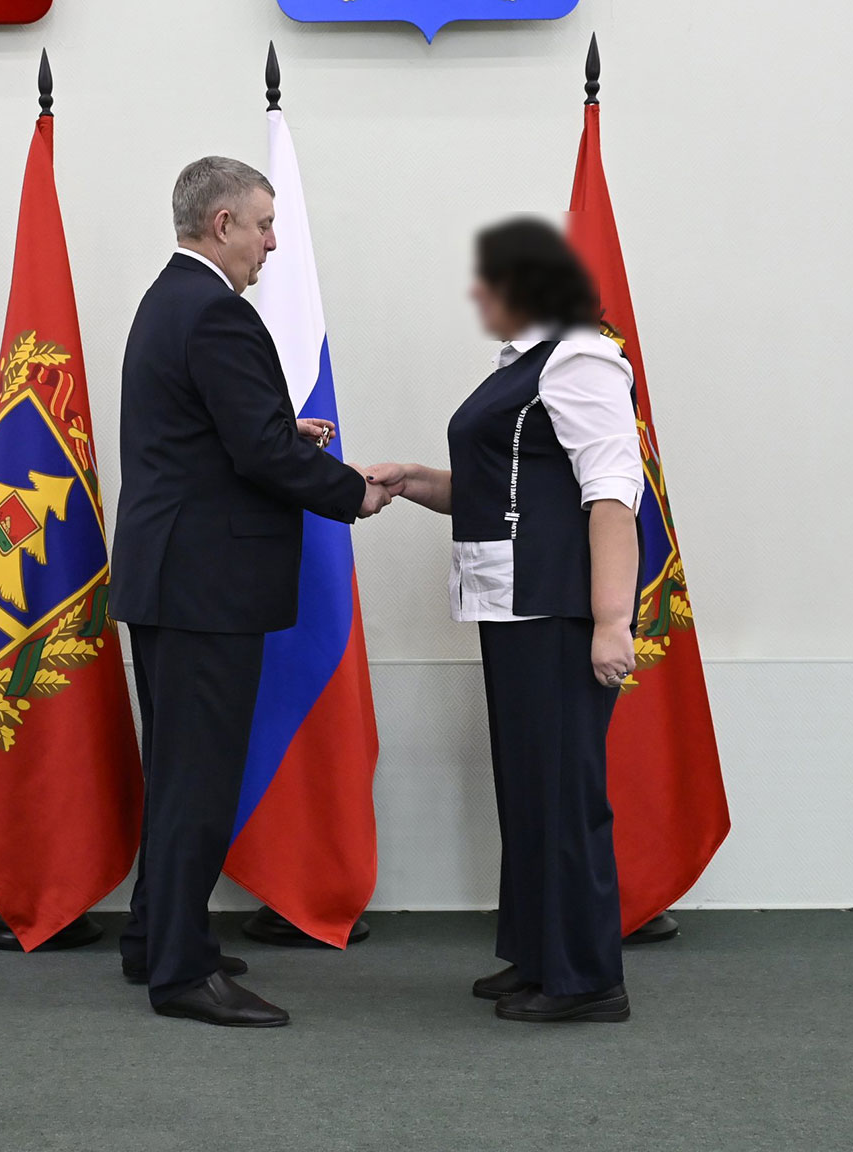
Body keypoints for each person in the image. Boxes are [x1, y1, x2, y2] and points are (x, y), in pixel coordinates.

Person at [109, 156, 392, 1028]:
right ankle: (183, 974)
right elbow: (257, 454)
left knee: (177, 772)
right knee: (198, 779)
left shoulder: (169, 300)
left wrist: (279, 430)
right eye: (264, 225)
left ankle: (155, 935)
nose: (273, 242)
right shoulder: (218, 313)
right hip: (204, 586)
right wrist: (350, 492)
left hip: (171, 577)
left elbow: (211, 434)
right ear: (222, 223)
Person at [366, 217, 640, 1024]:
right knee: (528, 789)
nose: (478, 293)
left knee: (563, 794)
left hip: (556, 607)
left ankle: (587, 979)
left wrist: (611, 621)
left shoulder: (582, 359)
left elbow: (612, 495)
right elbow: (497, 487)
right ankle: (539, 955)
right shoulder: (522, 366)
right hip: (511, 603)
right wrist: (414, 480)